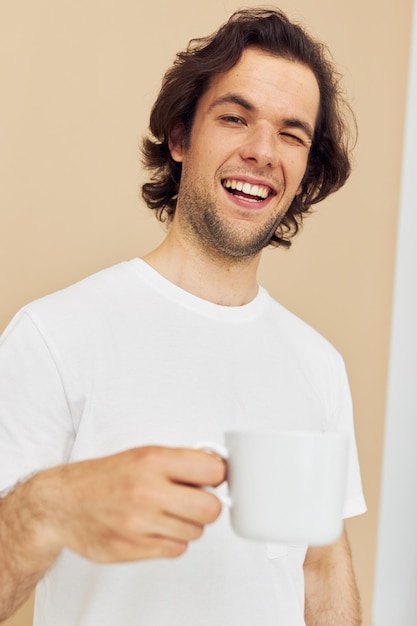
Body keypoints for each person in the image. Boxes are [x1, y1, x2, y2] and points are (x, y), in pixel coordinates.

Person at [0, 7, 366, 625]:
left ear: (306, 173)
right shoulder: (54, 336)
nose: (262, 152)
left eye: (292, 133)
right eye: (235, 118)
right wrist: (49, 507)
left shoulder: (318, 366)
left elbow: (319, 569)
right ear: (180, 137)